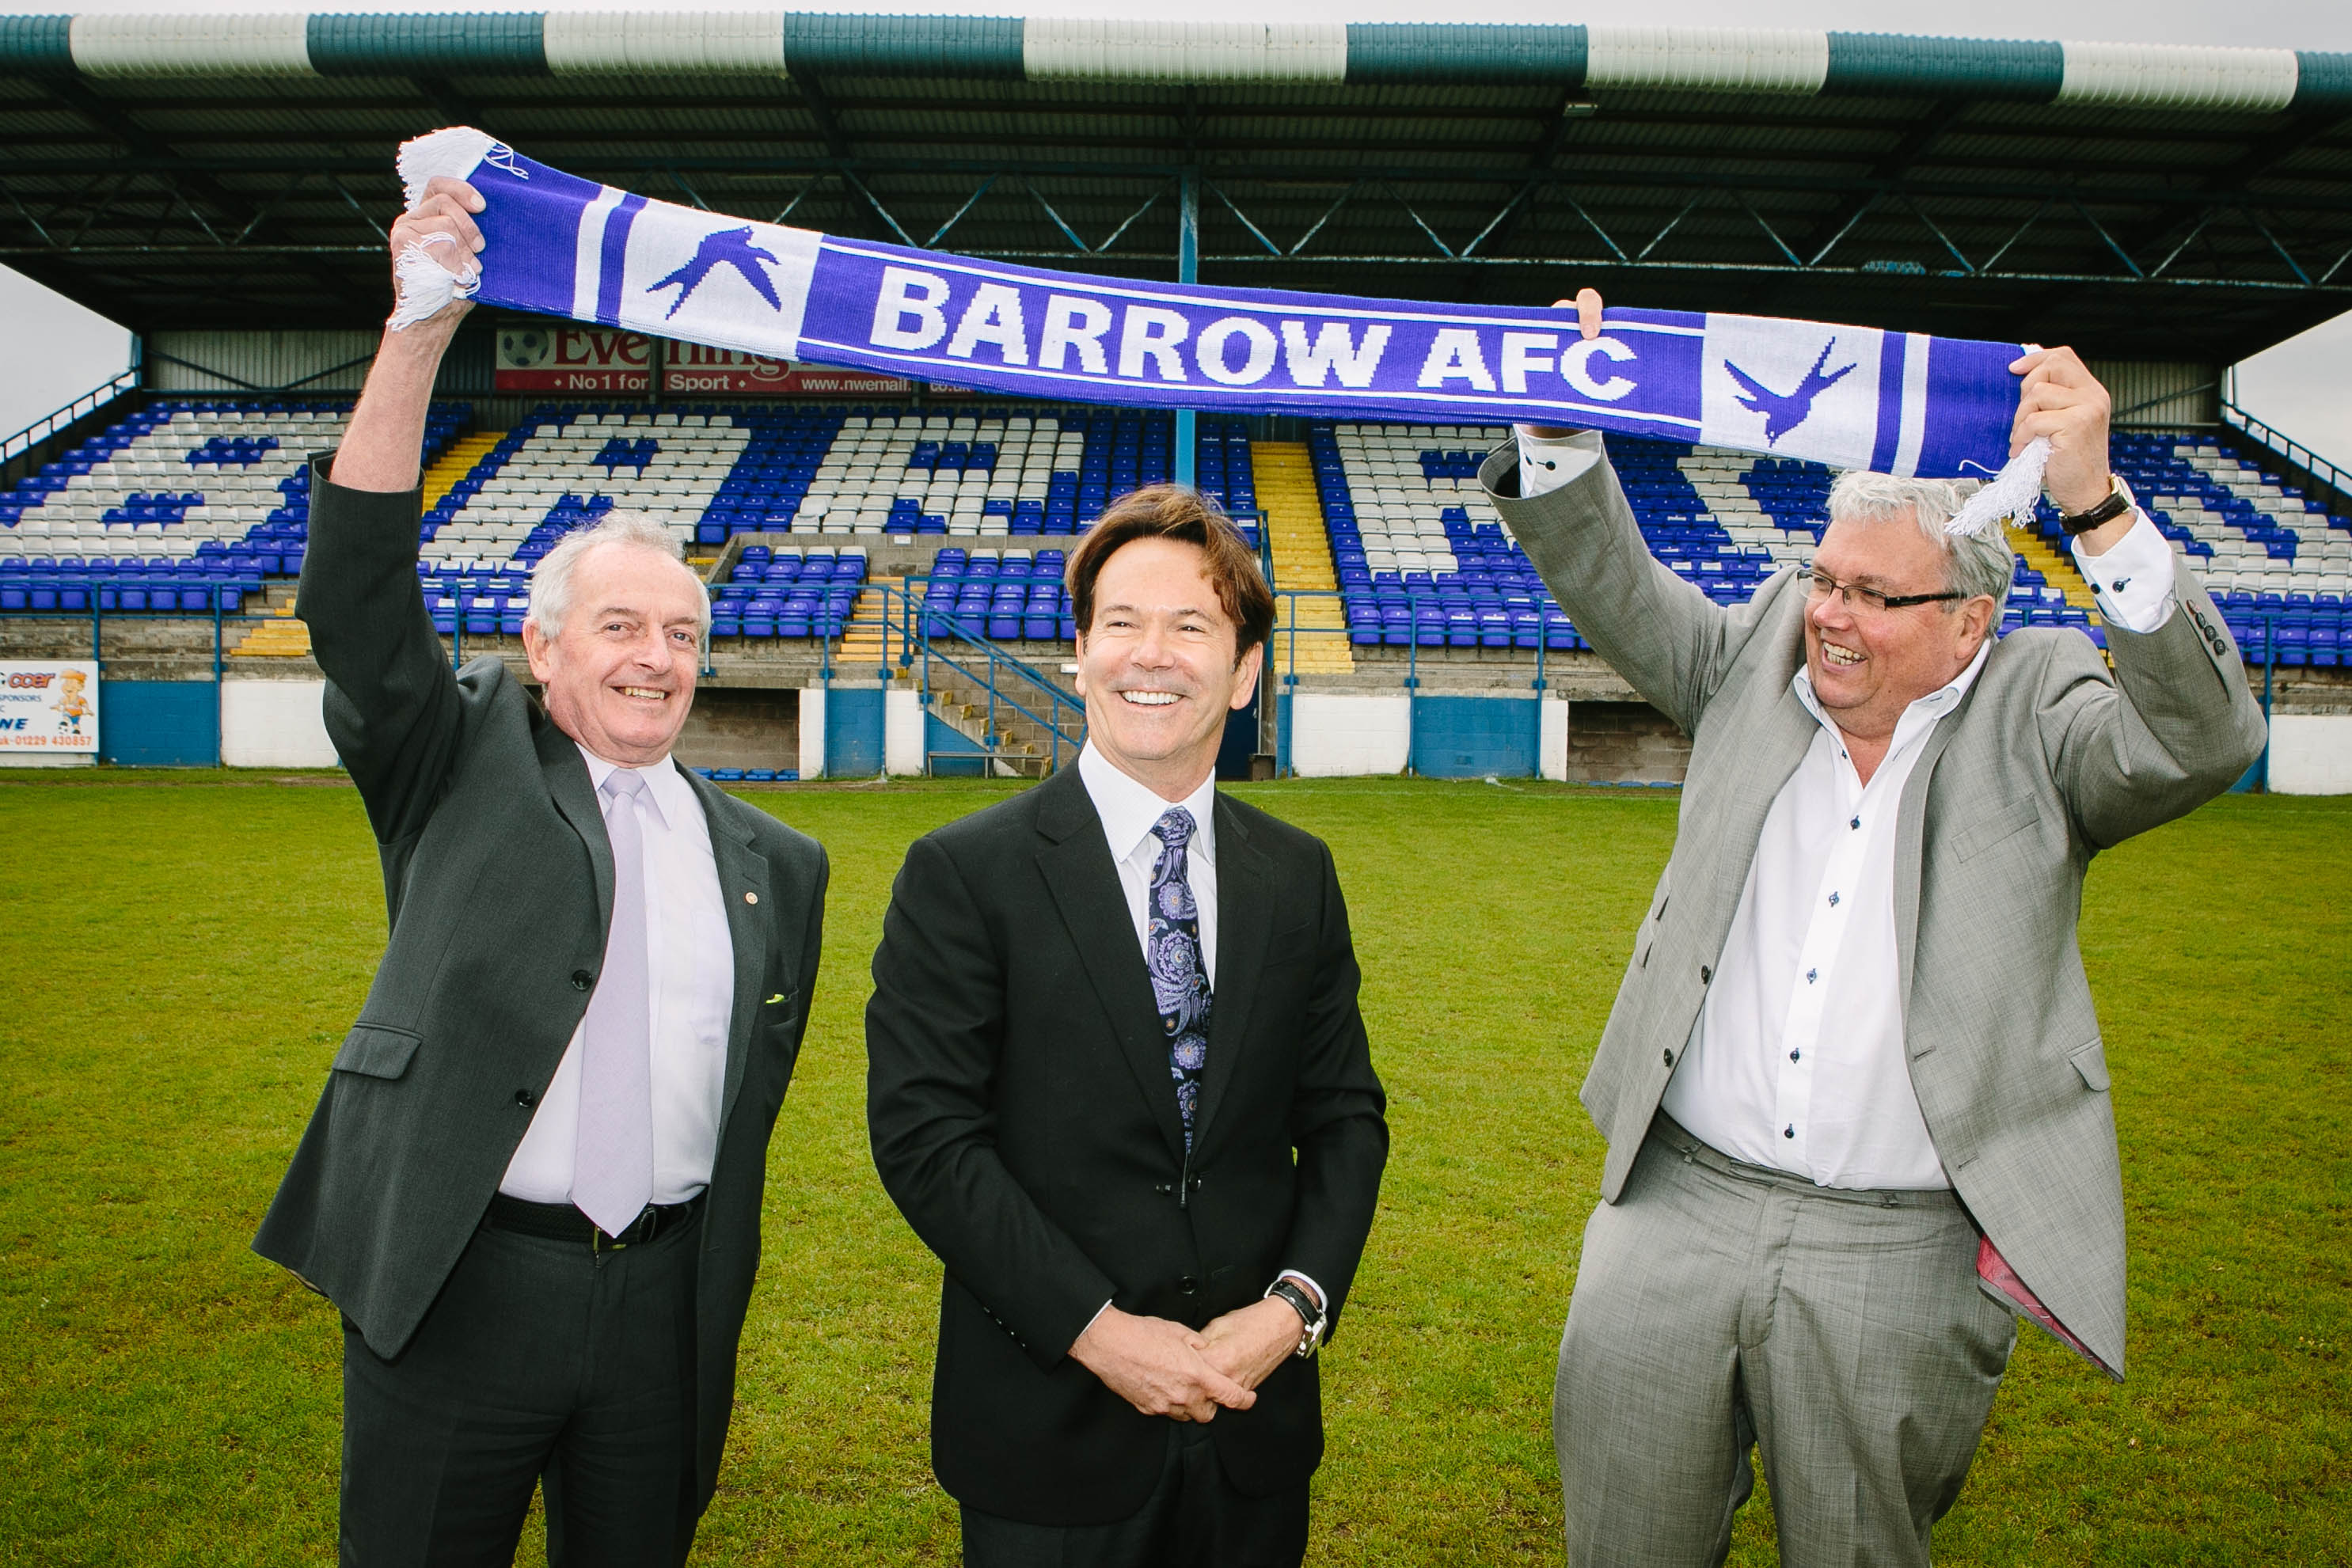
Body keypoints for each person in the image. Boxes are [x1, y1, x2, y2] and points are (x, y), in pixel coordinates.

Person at [1492, 293, 2267, 1566]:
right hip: (1677, 1205)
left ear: (1971, 619)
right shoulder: (1761, 658)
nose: (1831, 615)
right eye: (1826, 580)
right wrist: (1565, 427)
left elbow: (2207, 737)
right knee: (1621, 1534)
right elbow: (1622, 593)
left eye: (1874, 596)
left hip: (1901, 1243)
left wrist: (2100, 506)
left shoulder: (2044, 704)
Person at [252, 177, 829, 1565]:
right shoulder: (454, 758)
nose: (654, 656)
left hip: (666, 1307)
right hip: (463, 1281)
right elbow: (360, 601)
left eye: (682, 633)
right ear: (546, 644)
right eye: (619, 623)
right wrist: (414, 334)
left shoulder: (779, 861)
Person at [865, 486, 1389, 1567]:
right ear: (1081, 651)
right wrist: (1102, 1334)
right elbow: (928, 1142)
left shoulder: (1297, 875)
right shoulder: (964, 874)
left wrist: (1290, 1312)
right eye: (1122, 622)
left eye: (1191, 625)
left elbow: (1345, 1118)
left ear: (1244, 671)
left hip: (1253, 1430)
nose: (1152, 654)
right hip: (1048, 1437)